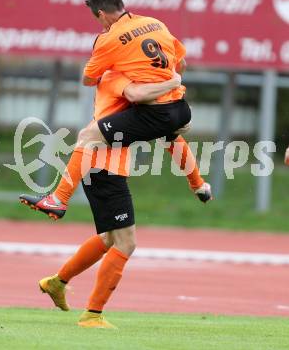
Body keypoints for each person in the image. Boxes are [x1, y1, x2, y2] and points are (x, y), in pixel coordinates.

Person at [21, 70, 210, 329]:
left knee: (109, 238)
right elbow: (161, 117)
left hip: (106, 169)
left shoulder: (133, 82)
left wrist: (196, 182)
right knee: (126, 242)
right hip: (103, 169)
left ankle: (57, 282)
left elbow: (172, 137)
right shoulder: (118, 79)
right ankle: (92, 315)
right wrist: (175, 88)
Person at [20, 0, 211, 220]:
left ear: (101, 14)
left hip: (149, 119)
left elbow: (88, 79)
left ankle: (58, 199)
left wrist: (117, 67)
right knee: (170, 136)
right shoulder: (156, 23)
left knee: (88, 136)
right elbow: (181, 64)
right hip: (180, 109)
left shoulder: (108, 41)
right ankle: (199, 186)